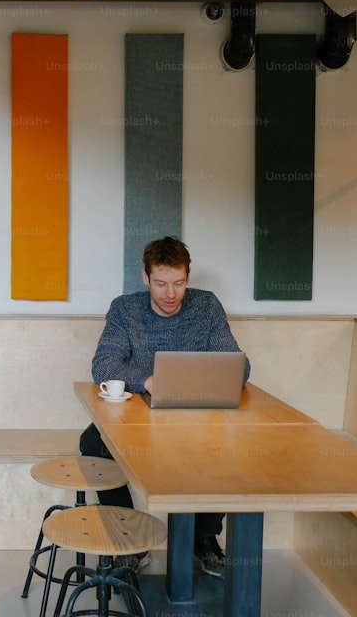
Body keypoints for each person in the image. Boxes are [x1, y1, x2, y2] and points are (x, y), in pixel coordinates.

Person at [79, 236, 250, 578]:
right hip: (141, 418)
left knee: (233, 446)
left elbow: (238, 367)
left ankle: (203, 538)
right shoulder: (125, 309)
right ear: (145, 277)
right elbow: (103, 365)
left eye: (178, 283)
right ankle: (129, 539)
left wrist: (196, 383)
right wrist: (148, 381)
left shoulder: (207, 306)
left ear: (188, 277)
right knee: (93, 443)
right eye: (160, 284)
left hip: (198, 418)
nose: (170, 294)